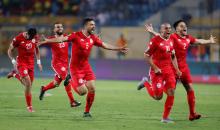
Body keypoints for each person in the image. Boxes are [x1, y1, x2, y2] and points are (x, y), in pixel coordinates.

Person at [39, 17, 128, 117]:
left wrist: (118, 48)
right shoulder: (75, 35)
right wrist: (47, 40)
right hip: (75, 68)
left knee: (92, 88)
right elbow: (62, 39)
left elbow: (104, 45)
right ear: (86, 26)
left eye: (94, 25)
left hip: (86, 67)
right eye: (91, 25)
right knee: (82, 92)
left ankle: (86, 112)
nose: (94, 26)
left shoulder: (93, 38)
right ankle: (70, 80)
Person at [143, 20, 217, 121]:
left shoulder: (188, 38)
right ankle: (153, 86)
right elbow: (162, 38)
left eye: (185, 26)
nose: (184, 28)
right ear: (176, 29)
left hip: (183, 68)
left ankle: (192, 114)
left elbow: (199, 41)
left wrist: (209, 41)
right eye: (181, 26)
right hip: (171, 68)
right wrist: (152, 32)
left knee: (190, 89)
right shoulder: (172, 37)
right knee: (164, 94)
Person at [137, 23, 182, 123]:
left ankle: (165, 118)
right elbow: (146, 55)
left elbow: (173, 56)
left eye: (170, 28)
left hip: (169, 71)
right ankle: (145, 82)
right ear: (161, 30)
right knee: (158, 97)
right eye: (166, 28)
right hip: (157, 72)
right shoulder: (155, 41)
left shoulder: (171, 40)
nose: (169, 30)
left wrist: (177, 69)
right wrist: (155, 67)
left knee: (171, 92)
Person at [37, 22, 81, 107]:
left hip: (65, 64)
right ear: (54, 30)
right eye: (57, 27)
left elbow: (77, 40)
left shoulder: (66, 38)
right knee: (67, 78)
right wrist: (39, 43)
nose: (60, 28)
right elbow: (41, 43)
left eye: (61, 27)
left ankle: (44, 89)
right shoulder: (51, 39)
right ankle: (72, 101)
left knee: (56, 83)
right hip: (57, 64)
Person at [7, 28, 43, 112]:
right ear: (27, 34)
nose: (33, 39)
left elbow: (37, 50)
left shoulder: (35, 37)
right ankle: (29, 106)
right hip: (21, 63)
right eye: (31, 37)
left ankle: (15, 74)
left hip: (31, 63)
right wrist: (13, 61)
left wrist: (39, 62)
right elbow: (9, 50)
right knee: (28, 82)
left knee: (28, 85)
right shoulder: (18, 38)